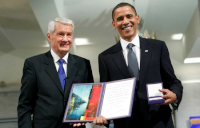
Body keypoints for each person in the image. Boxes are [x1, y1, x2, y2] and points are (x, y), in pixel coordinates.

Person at [93, 2, 183, 128]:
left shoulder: (158, 47)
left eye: (129, 16)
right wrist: (103, 117)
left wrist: (175, 94)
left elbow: (173, 81)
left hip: (159, 121)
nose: (125, 21)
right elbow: (105, 94)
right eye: (119, 19)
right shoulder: (105, 58)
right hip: (126, 124)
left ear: (137, 19)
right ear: (114, 24)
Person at [17, 17, 94, 128]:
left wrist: (88, 115)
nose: (66, 39)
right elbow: (25, 106)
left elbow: (90, 99)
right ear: (49, 36)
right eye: (60, 34)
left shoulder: (83, 64)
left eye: (69, 34)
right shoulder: (33, 64)